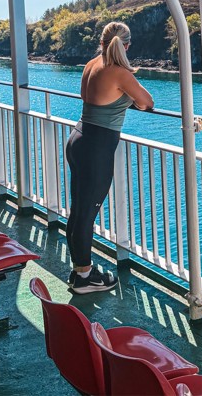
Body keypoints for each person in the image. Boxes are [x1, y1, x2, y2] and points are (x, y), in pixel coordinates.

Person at [65, 21, 154, 294]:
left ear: (101, 42)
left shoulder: (91, 65)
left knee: (79, 210)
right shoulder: (120, 72)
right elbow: (147, 102)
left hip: (79, 138)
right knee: (86, 214)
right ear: (126, 46)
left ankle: (80, 270)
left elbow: (86, 96)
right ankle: (84, 277)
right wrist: (127, 97)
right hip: (97, 148)